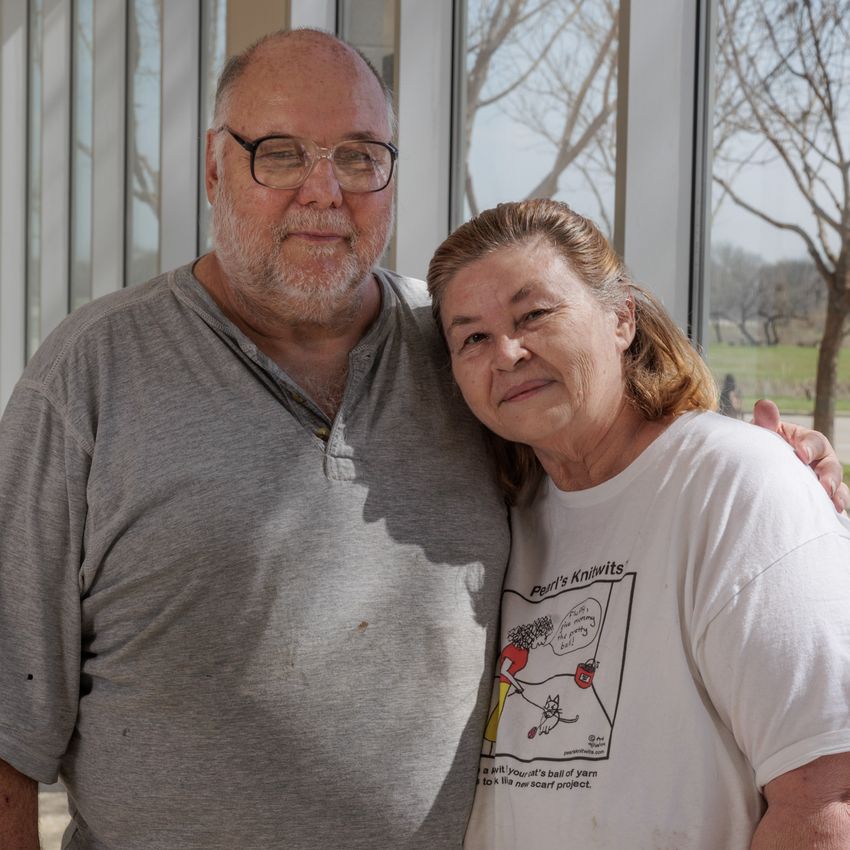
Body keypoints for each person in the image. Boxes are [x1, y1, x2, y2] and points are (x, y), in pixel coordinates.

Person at [0, 28, 843, 850]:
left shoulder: (453, 349)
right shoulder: (91, 373)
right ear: (215, 166)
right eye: (282, 153)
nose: (324, 191)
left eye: (360, 156)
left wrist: (775, 469)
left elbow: (605, 454)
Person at [425, 198, 850, 849]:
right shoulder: (501, 518)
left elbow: (826, 798)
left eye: (533, 314)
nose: (506, 352)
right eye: (472, 338)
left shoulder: (736, 484)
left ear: (621, 316)